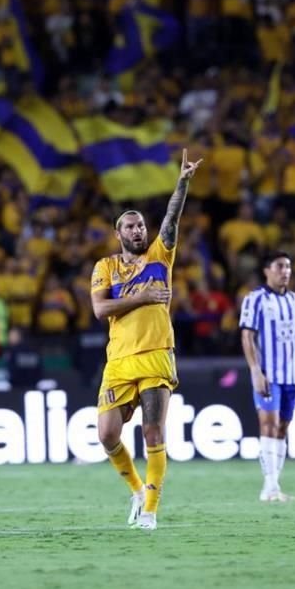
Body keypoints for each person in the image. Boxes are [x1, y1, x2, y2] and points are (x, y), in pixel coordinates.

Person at [90, 149, 202, 531]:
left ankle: (150, 511)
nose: (138, 231)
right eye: (130, 226)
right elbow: (100, 310)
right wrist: (141, 297)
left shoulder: (160, 255)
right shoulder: (105, 267)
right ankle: (137, 490)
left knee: (153, 431)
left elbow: (172, 218)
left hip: (156, 354)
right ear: (118, 233)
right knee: (107, 435)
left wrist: (182, 182)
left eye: (141, 226)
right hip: (119, 360)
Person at [239, 251, 295, 503]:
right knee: (268, 425)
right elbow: (247, 336)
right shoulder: (255, 299)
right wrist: (255, 371)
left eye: (288, 267)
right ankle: (269, 487)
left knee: (283, 428)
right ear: (267, 270)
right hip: (268, 374)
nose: (285, 271)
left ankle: (275, 486)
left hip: (290, 376)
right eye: (280, 266)